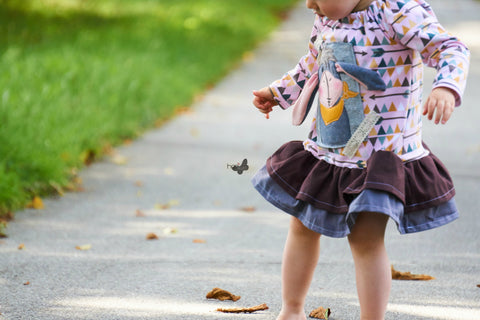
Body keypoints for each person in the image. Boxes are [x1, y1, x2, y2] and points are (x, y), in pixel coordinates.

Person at [251, 0, 470, 319]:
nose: (309, 4)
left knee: (365, 240)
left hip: (377, 160)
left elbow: (451, 48)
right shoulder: (326, 18)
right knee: (300, 226)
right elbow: (312, 64)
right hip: (327, 150)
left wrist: (447, 87)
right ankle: (292, 309)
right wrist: (277, 91)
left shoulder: (397, 12)